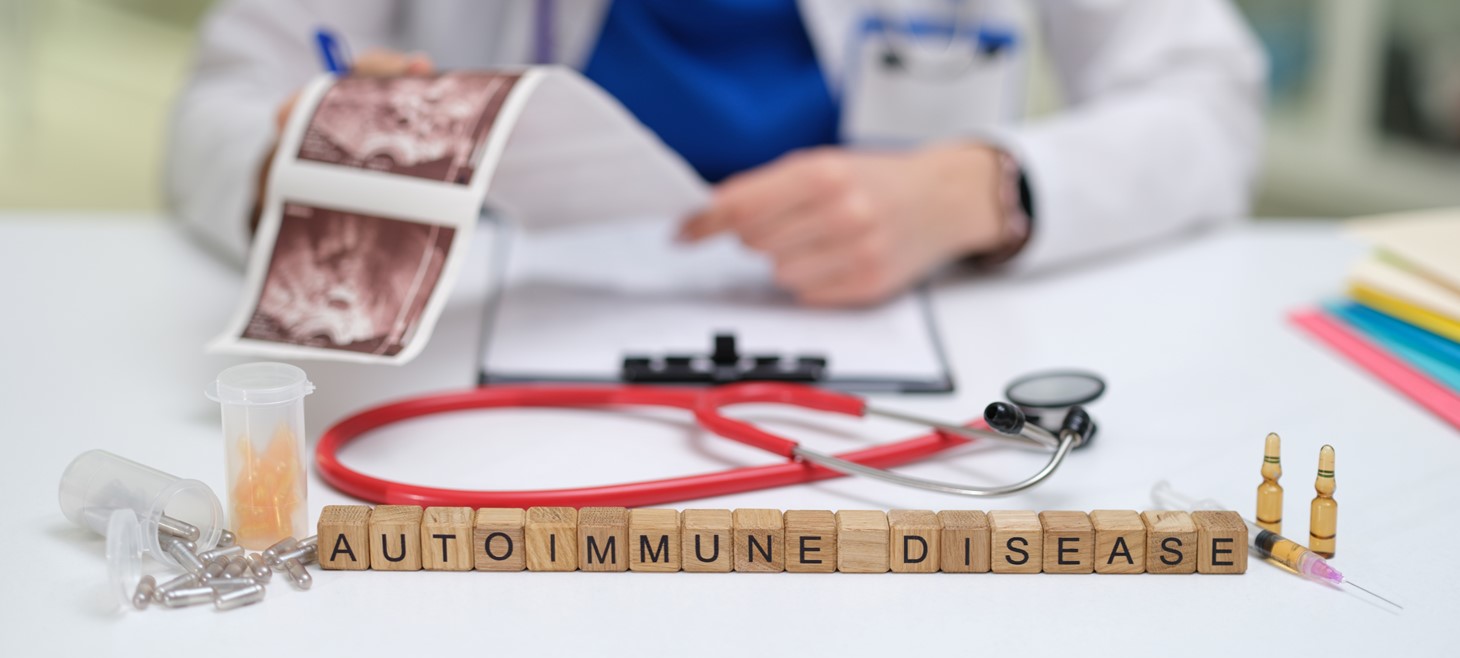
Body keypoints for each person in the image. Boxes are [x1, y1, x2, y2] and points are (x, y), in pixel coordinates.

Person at [167, 0, 1266, 307]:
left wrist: (985, 188)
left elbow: (1208, 97)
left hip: (893, 349)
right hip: (499, 344)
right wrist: (295, 161)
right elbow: (224, 95)